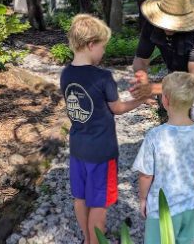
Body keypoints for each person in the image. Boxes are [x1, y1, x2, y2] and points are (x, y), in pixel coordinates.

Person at [61, 14, 150, 244]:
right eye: (102, 47)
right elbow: (118, 108)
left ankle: (87, 238)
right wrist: (140, 101)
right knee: (99, 202)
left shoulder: (66, 74)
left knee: (80, 198)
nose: (103, 52)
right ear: (91, 45)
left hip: (78, 148)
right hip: (102, 152)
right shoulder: (103, 77)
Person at [128, 0, 194, 142]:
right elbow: (140, 60)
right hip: (176, 75)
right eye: (164, 20)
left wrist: (153, 89)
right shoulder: (152, 23)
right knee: (176, 124)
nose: (167, 27)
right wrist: (142, 80)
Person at [132, 72, 194, 244]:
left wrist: (143, 198)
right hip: (189, 206)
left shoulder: (155, 136)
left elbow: (146, 174)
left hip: (163, 209)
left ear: (165, 100)